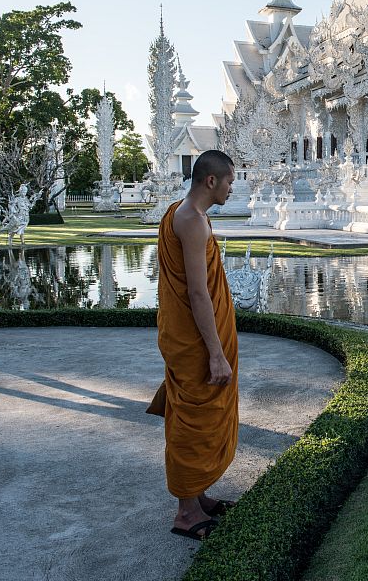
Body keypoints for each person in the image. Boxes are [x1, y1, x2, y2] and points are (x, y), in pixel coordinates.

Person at [156, 149, 238, 541]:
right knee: (193, 417)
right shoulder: (190, 220)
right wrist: (216, 353)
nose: (231, 188)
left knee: (197, 411)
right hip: (194, 340)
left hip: (187, 334)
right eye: (229, 181)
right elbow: (198, 292)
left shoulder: (185, 212)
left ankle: (197, 496)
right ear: (211, 181)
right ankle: (186, 513)